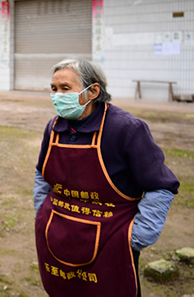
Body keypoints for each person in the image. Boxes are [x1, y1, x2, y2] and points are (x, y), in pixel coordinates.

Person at [34, 58, 179, 297]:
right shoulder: (54, 127)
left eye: (65, 89)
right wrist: (42, 213)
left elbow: (161, 187)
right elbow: (42, 174)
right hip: (57, 236)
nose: (57, 95)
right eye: (54, 89)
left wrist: (137, 236)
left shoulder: (126, 129)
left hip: (112, 243)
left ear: (93, 90)